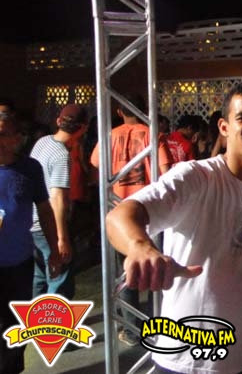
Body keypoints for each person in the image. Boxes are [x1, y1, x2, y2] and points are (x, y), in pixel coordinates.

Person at [105, 81, 242, 373]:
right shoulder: (196, 177)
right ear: (224, 127)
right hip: (186, 360)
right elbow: (121, 215)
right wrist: (141, 247)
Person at [90, 93, 172, 346]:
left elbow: (95, 168)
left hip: (119, 216)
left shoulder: (108, 137)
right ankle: (161, 325)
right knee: (158, 269)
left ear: (119, 112)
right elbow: (166, 174)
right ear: (146, 109)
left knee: (125, 274)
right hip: (150, 213)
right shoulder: (154, 135)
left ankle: (132, 329)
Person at [0, 99, 61, 374]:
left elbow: (45, 210)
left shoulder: (30, 168)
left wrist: (55, 250)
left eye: (4, 134)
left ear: (16, 138)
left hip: (19, 263)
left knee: (15, 324)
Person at [30, 104, 89, 300]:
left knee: (39, 279)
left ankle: (35, 318)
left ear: (58, 121)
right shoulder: (62, 156)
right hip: (48, 226)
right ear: (83, 128)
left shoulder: (42, 142)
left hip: (32, 223)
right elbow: (58, 198)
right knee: (59, 280)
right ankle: (54, 320)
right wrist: (61, 239)